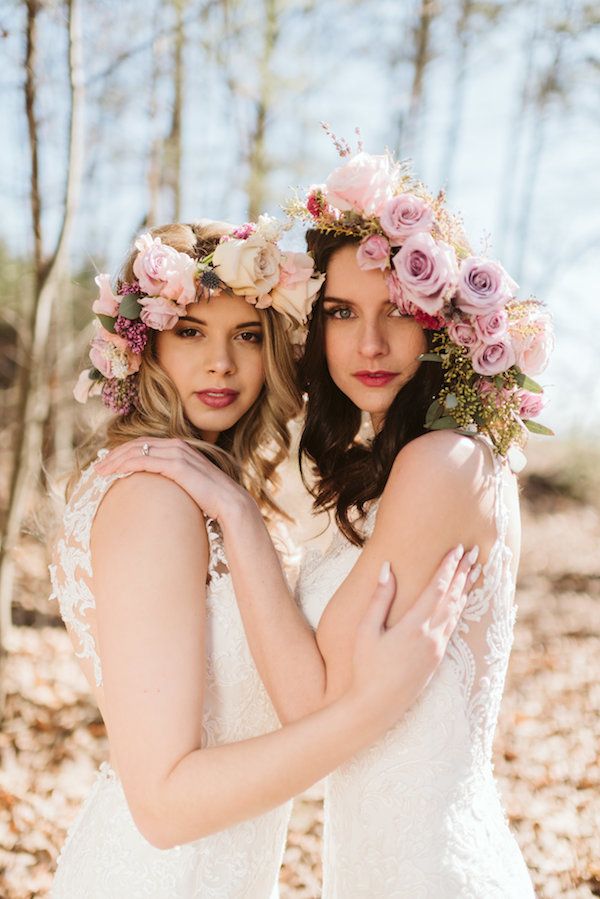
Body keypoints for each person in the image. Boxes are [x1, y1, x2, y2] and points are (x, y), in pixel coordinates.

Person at [103, 150, 553, 896]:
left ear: (443, 330)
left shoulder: (445, 463)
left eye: (399, 313)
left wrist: (239, 515)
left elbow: (314, 706)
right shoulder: (398, 466)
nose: (367, 345)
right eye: (341, 313)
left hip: (431, 872)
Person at [50, 217, 477, 899]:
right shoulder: (155, 497)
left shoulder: (206, 493)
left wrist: (243, 514)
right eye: (190, 331)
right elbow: (162, 805)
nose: (221, 361)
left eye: (247, 335)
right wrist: (371, 708)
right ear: (146, 346)